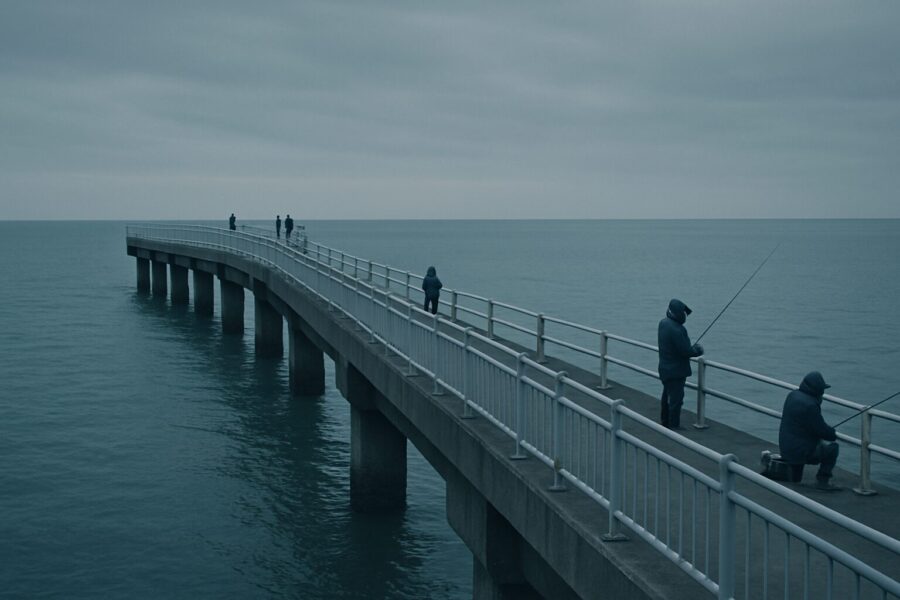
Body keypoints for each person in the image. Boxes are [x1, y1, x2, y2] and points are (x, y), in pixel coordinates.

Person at [778, 371, 841, 491]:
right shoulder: (811, 405)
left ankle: (795, 479)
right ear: (818, 390)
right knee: (833, 449)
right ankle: (823, 482)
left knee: (796, 475)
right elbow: (823, 431)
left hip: (786, 446)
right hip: (801, 451)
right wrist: (832, 432)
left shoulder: (792, 395)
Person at [657, 298, 704, 429]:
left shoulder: (663, 323)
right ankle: (674, 426)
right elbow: (686, 351)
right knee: (676, 401)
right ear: (678, 314)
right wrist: (698, 350)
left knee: (666, 396)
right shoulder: (678, 329)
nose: (684, 316)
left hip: (665, 368)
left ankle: (665, 421)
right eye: (683, 313)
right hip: (676, 371)